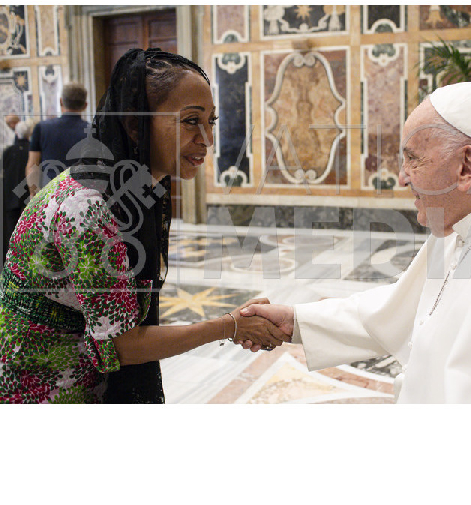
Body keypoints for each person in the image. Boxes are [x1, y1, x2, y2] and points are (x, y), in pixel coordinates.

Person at [241, 82, 471, 403]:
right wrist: (296, 320)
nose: (401, 178)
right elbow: (404, 309)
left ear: (465, 166)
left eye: (413, 160)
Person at [0, 48, 288, 404]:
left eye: (210, 121)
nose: (207, 140)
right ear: (137, 125)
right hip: (40, 386)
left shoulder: (135, 187)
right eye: (189, 121)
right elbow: (123, 345)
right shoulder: (88, 208)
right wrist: (228, 325)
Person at [26, 82, 90, 196]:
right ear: (85, 105)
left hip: (51, 195)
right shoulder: (93, 131)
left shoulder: (42, 128)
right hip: (83, 197)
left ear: (61, 101)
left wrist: (34, 195)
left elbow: (33, 166)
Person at [1, 120, 32, 263]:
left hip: (11, 193)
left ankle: (12, 257)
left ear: (16, 133)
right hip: (27, 192)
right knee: (27, 224)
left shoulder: (8, 151)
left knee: (11, 226)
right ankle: (26, 254)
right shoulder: (32, 150)